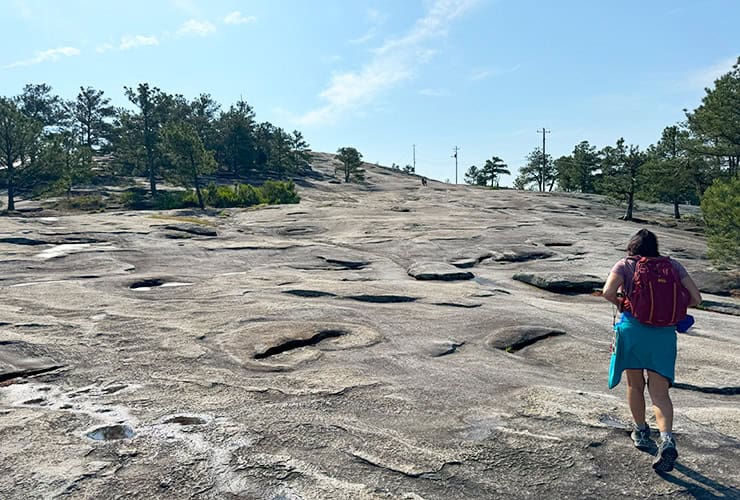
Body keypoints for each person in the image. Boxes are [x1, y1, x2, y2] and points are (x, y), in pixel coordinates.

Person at [602, 229, 702, 472]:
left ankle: (641, 431)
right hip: (664, 336)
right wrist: (672, 307)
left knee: (635, 385)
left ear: (632, 246)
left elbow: (607, 292)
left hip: (633, 331)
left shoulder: (625, 264)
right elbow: (696, 298)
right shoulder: (673, 266)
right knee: (660, 394)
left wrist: (624, 304)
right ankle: (666, 439)